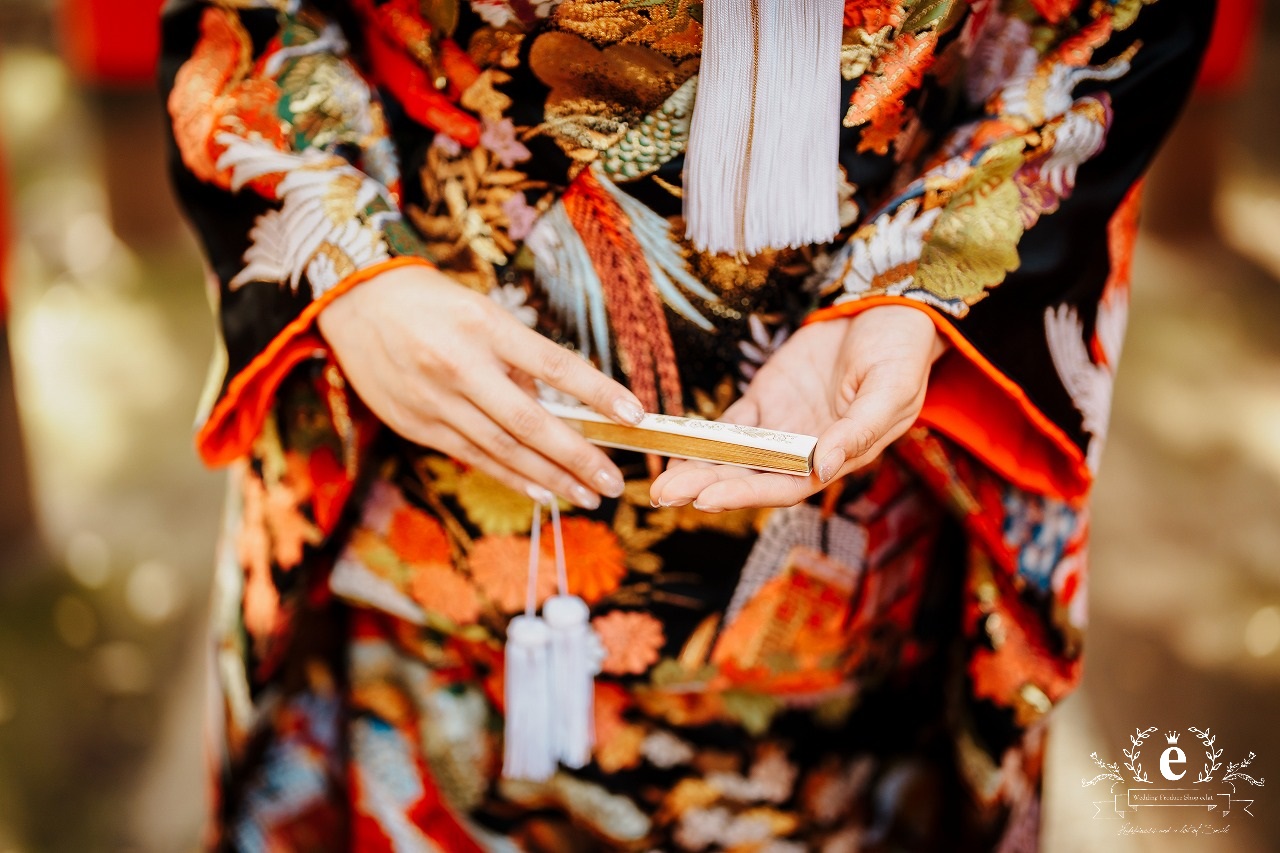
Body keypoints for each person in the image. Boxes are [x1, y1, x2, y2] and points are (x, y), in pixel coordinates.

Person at [159, 1, 1213, 849]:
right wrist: (344, 259)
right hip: (421, 458)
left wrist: (924, 281)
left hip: (850, 498)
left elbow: (1110, 27)